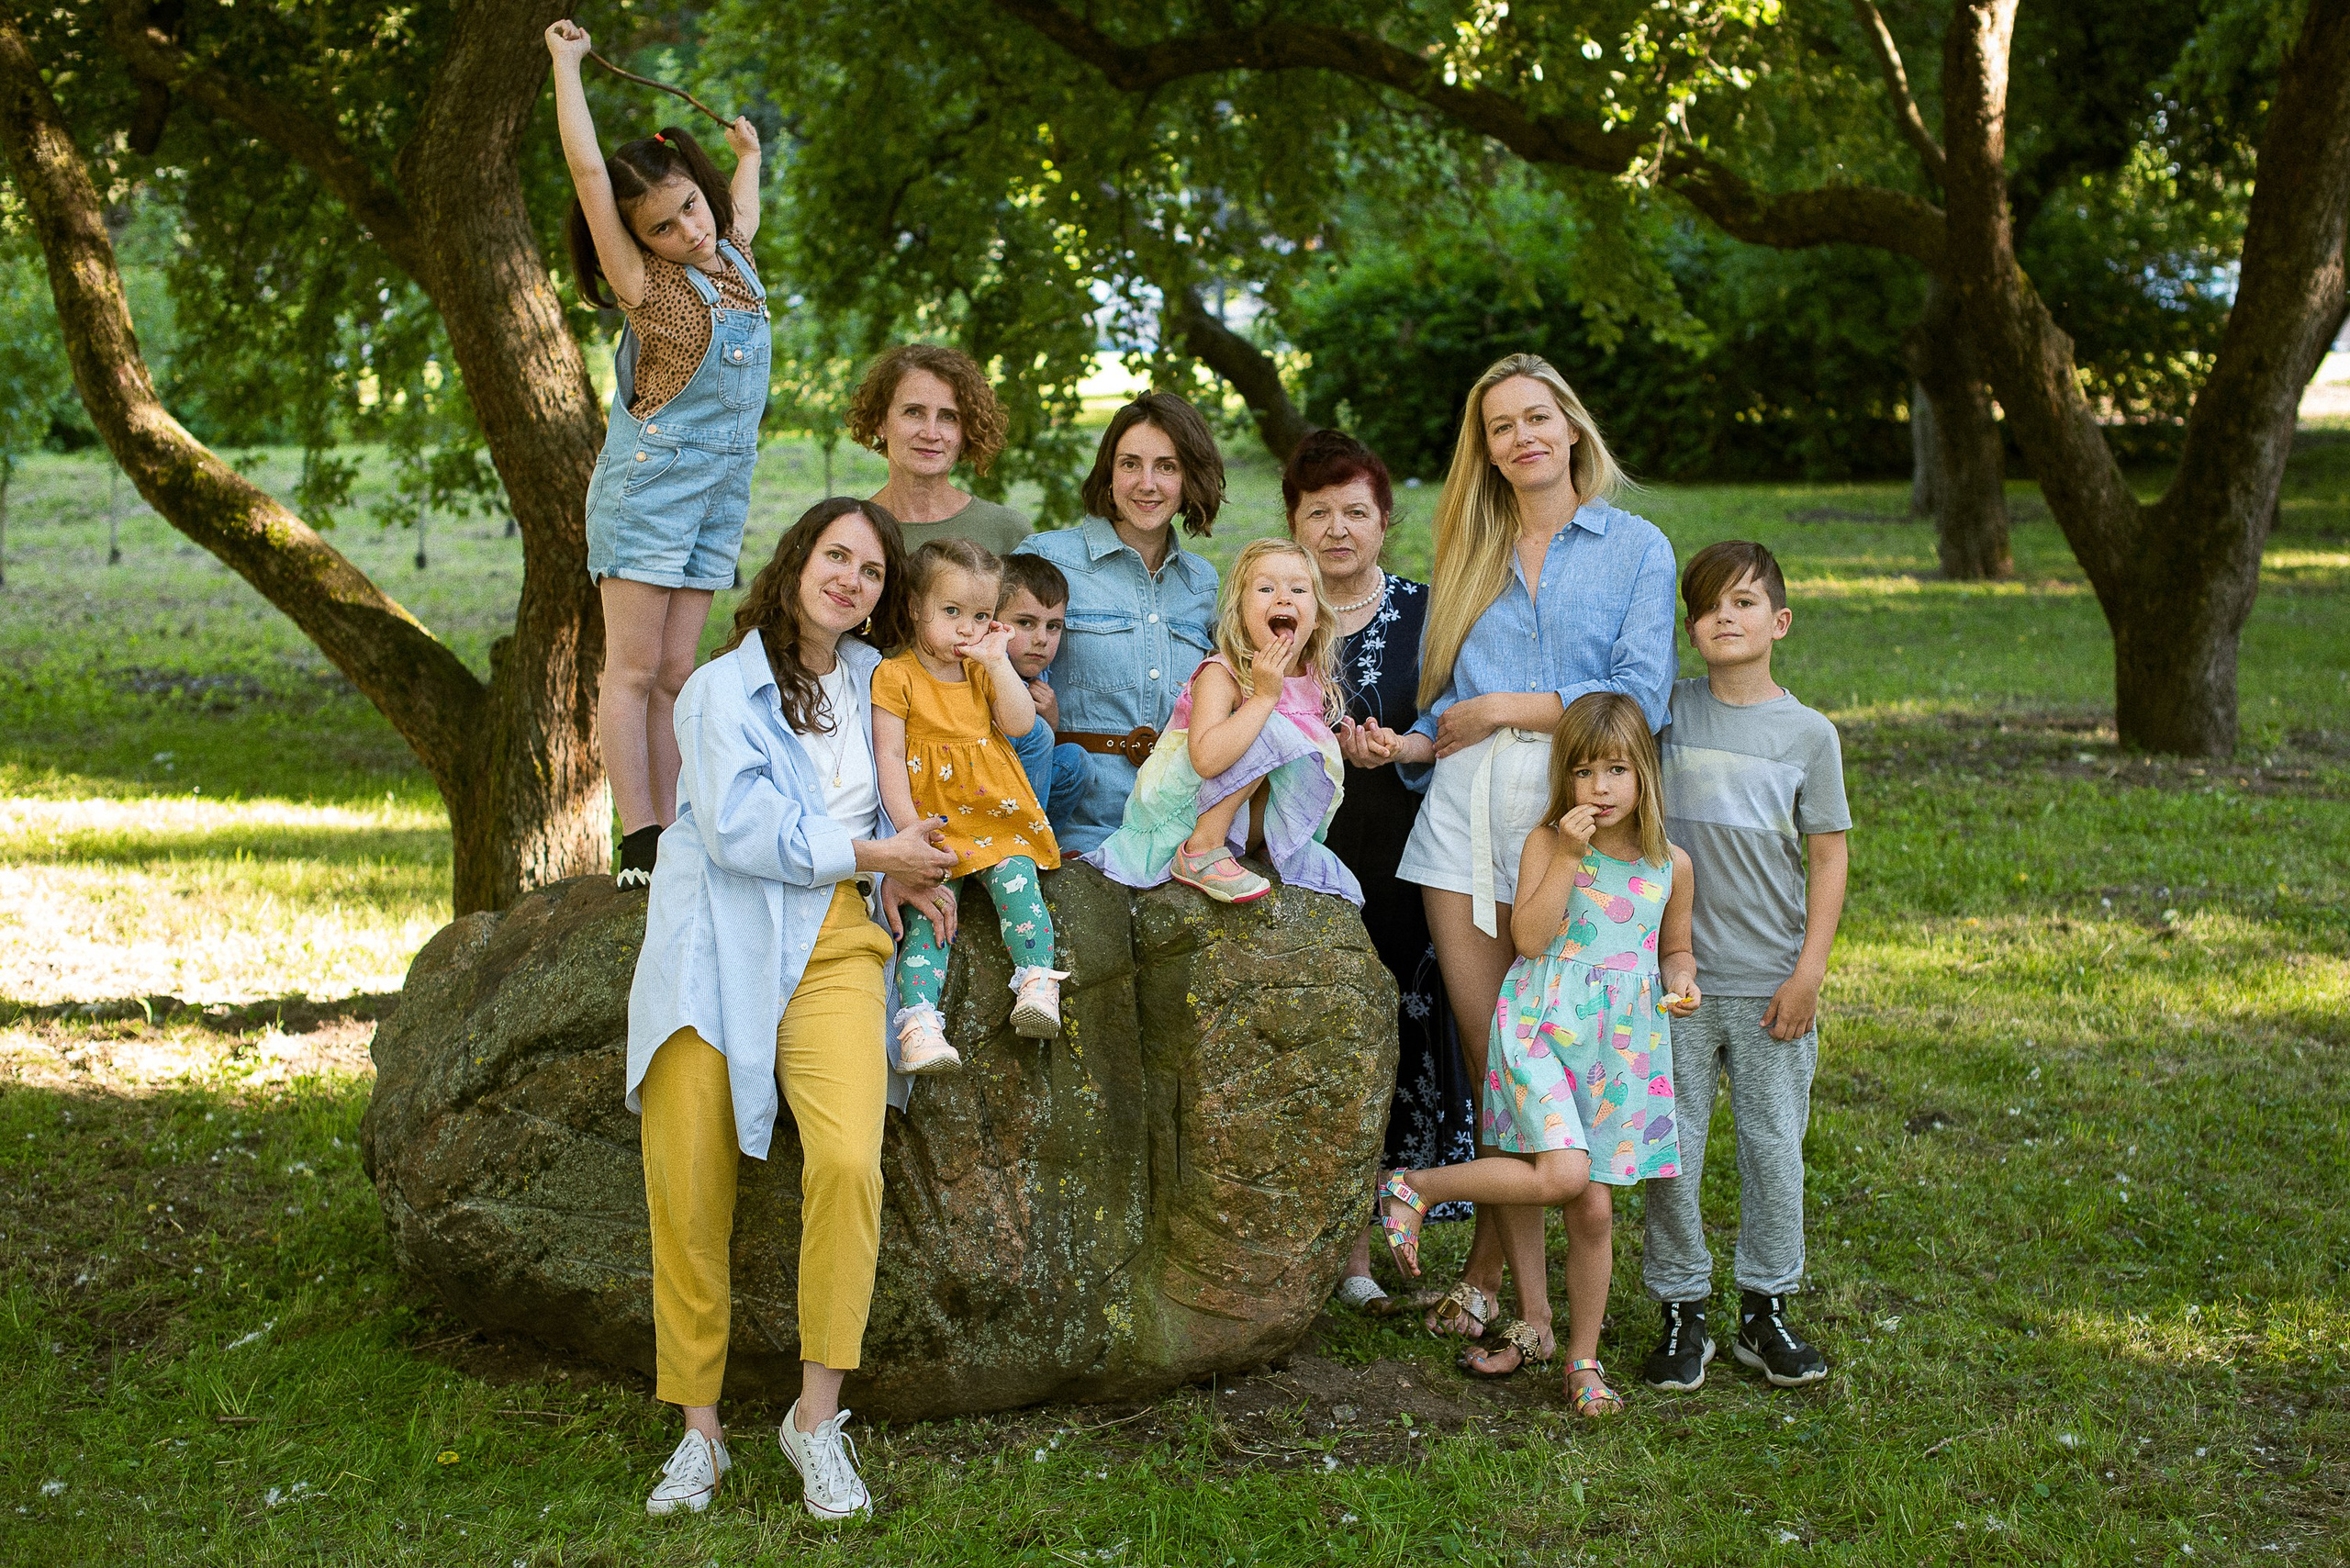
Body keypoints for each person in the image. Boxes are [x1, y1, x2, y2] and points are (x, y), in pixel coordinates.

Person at [625, 497, 957, 1523]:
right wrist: (877, 856)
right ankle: (699, 1435)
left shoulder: (877, 682)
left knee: (851, 1162)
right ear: (797, 562)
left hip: (831, 943)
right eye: (836, 556)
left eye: (870, 569)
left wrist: (909, 864)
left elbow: (913, 786)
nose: (850, 579)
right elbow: (736, 827)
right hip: (711, 942)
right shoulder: (722, 689)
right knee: (688, 1182)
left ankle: (816, 1420)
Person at [1386, 352, 1678, 1372]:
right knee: (1494, 1066)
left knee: (1555, 1070)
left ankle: (1497, 1283)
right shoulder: (1469, 548)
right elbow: (1444, 706)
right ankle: (1526, 1307)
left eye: (1537, 417)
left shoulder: (1636, 546)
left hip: (1576, 820)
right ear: (1488, 449)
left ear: (1570, 426)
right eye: (1501, 426)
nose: (1523, 437)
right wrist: (1405, 744)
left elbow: (1641, 696)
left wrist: (1509, 706)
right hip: (1465, 820)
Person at [1378, 692, 1698, 1417]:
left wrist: (1681, 982)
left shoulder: (1670, 864)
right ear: (1565, 780)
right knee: (1562, 1171)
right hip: (1541, 1034)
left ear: (1645, 773)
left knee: (1591, 1210)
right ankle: (1417, 1187)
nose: (1601, 788)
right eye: (1583, 772)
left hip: (1617, 1058)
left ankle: (1582, 1360)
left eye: (1617, 770)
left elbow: (1675, 949)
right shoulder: (1547, 845)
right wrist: (1570, 856)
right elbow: (1528, 937)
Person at [549, 18, 770, 887]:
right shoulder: (649, 288)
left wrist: (746, 152)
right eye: (665, 227)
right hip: (651, 494)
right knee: (634, 669)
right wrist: (567, 64)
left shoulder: (737, 257)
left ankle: (677, 827)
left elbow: (740, 205)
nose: (690, 228)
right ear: (637, 244)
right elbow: (589, 172)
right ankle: (638, 836)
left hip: (720, 492)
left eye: (691, 205)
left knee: (681, 669)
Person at [1640, 541, 1851, 1392]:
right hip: (1676, 983)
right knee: (1673, 1150)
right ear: (1689, 628)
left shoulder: (1809, 734)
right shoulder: (1667, 715)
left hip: (1770, 983)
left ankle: (1765, 1308)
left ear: (1780, 622)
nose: (1724, 618)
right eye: (1707, 607)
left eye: (1744, 603)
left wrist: (1809, 974)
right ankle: (1681, 1308)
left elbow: (1828, 859)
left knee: (1773, 1149)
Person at [1281, 431, 1476, 1316]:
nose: (1336, 530)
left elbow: (1454, 724)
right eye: (1317, 513)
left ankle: (1406, 1203)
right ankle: (1335, 1235)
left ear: (1383, 520)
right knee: (1326, 1032)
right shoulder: (1278, 609)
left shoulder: (1432, 614)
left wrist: (1405, 747)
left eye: (1354, 512)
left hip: (1408, 850)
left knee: (1406, 1020)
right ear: (1293, 522)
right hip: (1306, 852)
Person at [873, 539, 1067, 1073]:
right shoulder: (896, 675)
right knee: (926, 914)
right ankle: (918, 1022)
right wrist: (909, 834)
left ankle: (1035, 982)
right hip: (932, 825)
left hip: (995, 817)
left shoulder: (983, 668)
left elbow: (1021, 723)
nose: (966, 628)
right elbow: (888, 757)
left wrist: (998, 661)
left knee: (1018, 882)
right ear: (915, 608)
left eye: (980, 615)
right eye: (952, 612)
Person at [1084, 538, 1361, 906]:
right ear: (1240, 610)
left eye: (1298, 589)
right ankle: (1202, 849)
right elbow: (1206, 759)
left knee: (1347, 887)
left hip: (1248, 829)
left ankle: (1268, 847)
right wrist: (1263, 698)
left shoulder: (1314, 680)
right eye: (1266, 589)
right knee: (1268, 728)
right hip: (1184, 813)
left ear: (1317, 614)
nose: (1283, 598)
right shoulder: (1222, 674)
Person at [1013, 394, 1223, 854]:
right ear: (1109, 473)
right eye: (1130, 464)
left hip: (1172, 831)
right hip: (1070, 831)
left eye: (1166, 466)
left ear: (1189, 477)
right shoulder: (1047, 558)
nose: (1147, 483)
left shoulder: (1203, 585)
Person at [851, 343, 1030, 557]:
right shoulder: (848, 530)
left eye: (948, 417)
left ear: (967, 431)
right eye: (913, 412)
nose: (931, 433)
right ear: (881, 422)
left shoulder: (1007, 532)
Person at [997, 554, 1091, 820]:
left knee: (1075, 760)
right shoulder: (988, 664)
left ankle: (1044, 843)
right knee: (1036, 731)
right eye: (1025, 623)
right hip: (976, 787)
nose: (1041, 639)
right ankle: (1021, 845)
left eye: (1053, 626)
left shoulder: (1038, 671)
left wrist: (1051, 718)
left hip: (1016, 793)